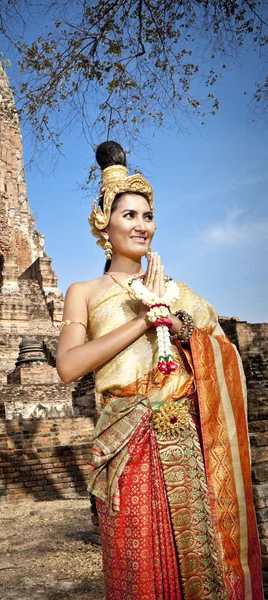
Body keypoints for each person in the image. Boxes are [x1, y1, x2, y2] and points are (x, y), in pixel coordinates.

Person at [56, 141, 263, 600]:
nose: (141, 225)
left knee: (198, 564)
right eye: (129, 215)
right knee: (139, 570)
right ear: (102, 223)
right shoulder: (85, 292)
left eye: (147, 216)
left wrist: (178, 323)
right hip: (127, 444)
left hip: (187, 445)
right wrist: (143, 320)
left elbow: (224, 352)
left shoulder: (176, 291)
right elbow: (68, 366)